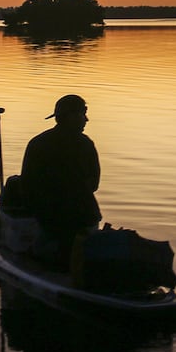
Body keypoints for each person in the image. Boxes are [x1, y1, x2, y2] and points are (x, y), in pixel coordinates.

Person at [20, 94, 101, 272]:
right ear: (70, 116)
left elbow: (27, 186)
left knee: (44, 255)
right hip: (83, 218)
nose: (86, 119)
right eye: (83, 114)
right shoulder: (85, 144)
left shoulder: (37, 143)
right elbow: (94, 185)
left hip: (50, 220)